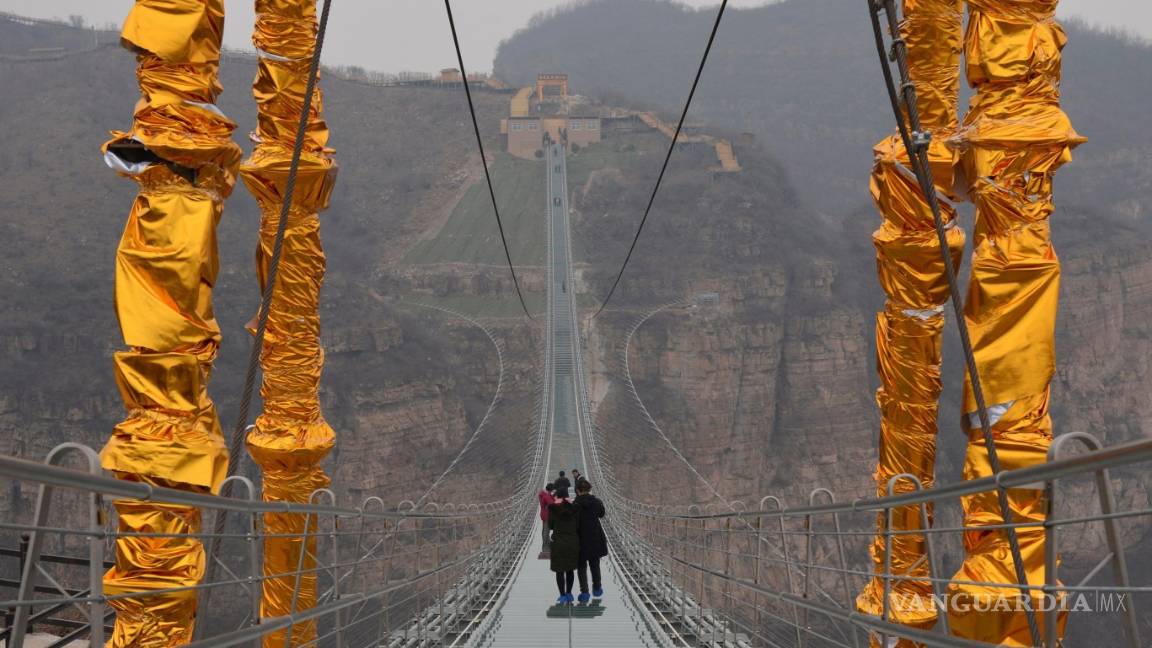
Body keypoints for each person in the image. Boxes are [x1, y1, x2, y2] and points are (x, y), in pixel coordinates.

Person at [574, 478, 607, 601]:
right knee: (595, 564)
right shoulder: (597, 502)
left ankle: (585, 593)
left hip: (580, 538)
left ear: (577, 491)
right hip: (595, 537)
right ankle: (597, 588)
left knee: (581, 566)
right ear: (590, 489)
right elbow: (602, 514)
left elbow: (572, 522)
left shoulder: (575, 505)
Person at [548, 487, 580, 604]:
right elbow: (577, 525)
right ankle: (569, 593)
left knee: (559, 570)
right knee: (570, 570)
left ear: (557, 496)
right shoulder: (575, 509)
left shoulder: (553, 509)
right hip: (572, 541)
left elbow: (550, 525)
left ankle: (562, 595)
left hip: (558, 542)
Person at [537, 482, 556, 558]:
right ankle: (546, 548)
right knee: (546, 531)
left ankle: (545, 547)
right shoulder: (547, 495)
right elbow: (552, 504)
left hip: (544, 514)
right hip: (547, 515)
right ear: (551, 489)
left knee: (544, 530)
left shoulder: (544, 495)